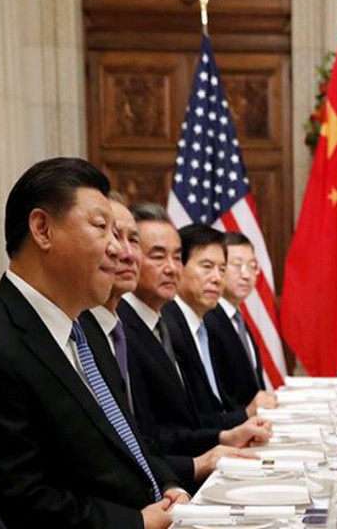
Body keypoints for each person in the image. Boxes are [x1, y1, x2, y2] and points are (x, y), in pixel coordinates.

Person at [0, 157, 185, 529]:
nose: (120, 250)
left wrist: (168, 483)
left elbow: (129, 435)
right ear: (42, 229)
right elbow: (20, 499)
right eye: (102, 228)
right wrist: (136, 523)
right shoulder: (1, 339)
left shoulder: (87, 331)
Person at [82, 198, 256, 490]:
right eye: (158, 256)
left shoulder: (164, 323)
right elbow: (139, 435)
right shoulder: (112, 327)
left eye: (177, 257)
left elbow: (180, 421)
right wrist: (198, 461)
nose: (172, 268)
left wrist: (222, 437)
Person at [161, 224, 276, 423]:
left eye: (222, 269)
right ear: (180, 266)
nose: (217, 278)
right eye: (207, 267)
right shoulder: (168, 325)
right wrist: (244, 416)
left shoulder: (201, 323)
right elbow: (185, 421)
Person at [204, 232, 267, 410]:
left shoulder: (237, 317)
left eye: (252, 266)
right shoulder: (208, 319)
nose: (246, 275)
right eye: (237, 265)